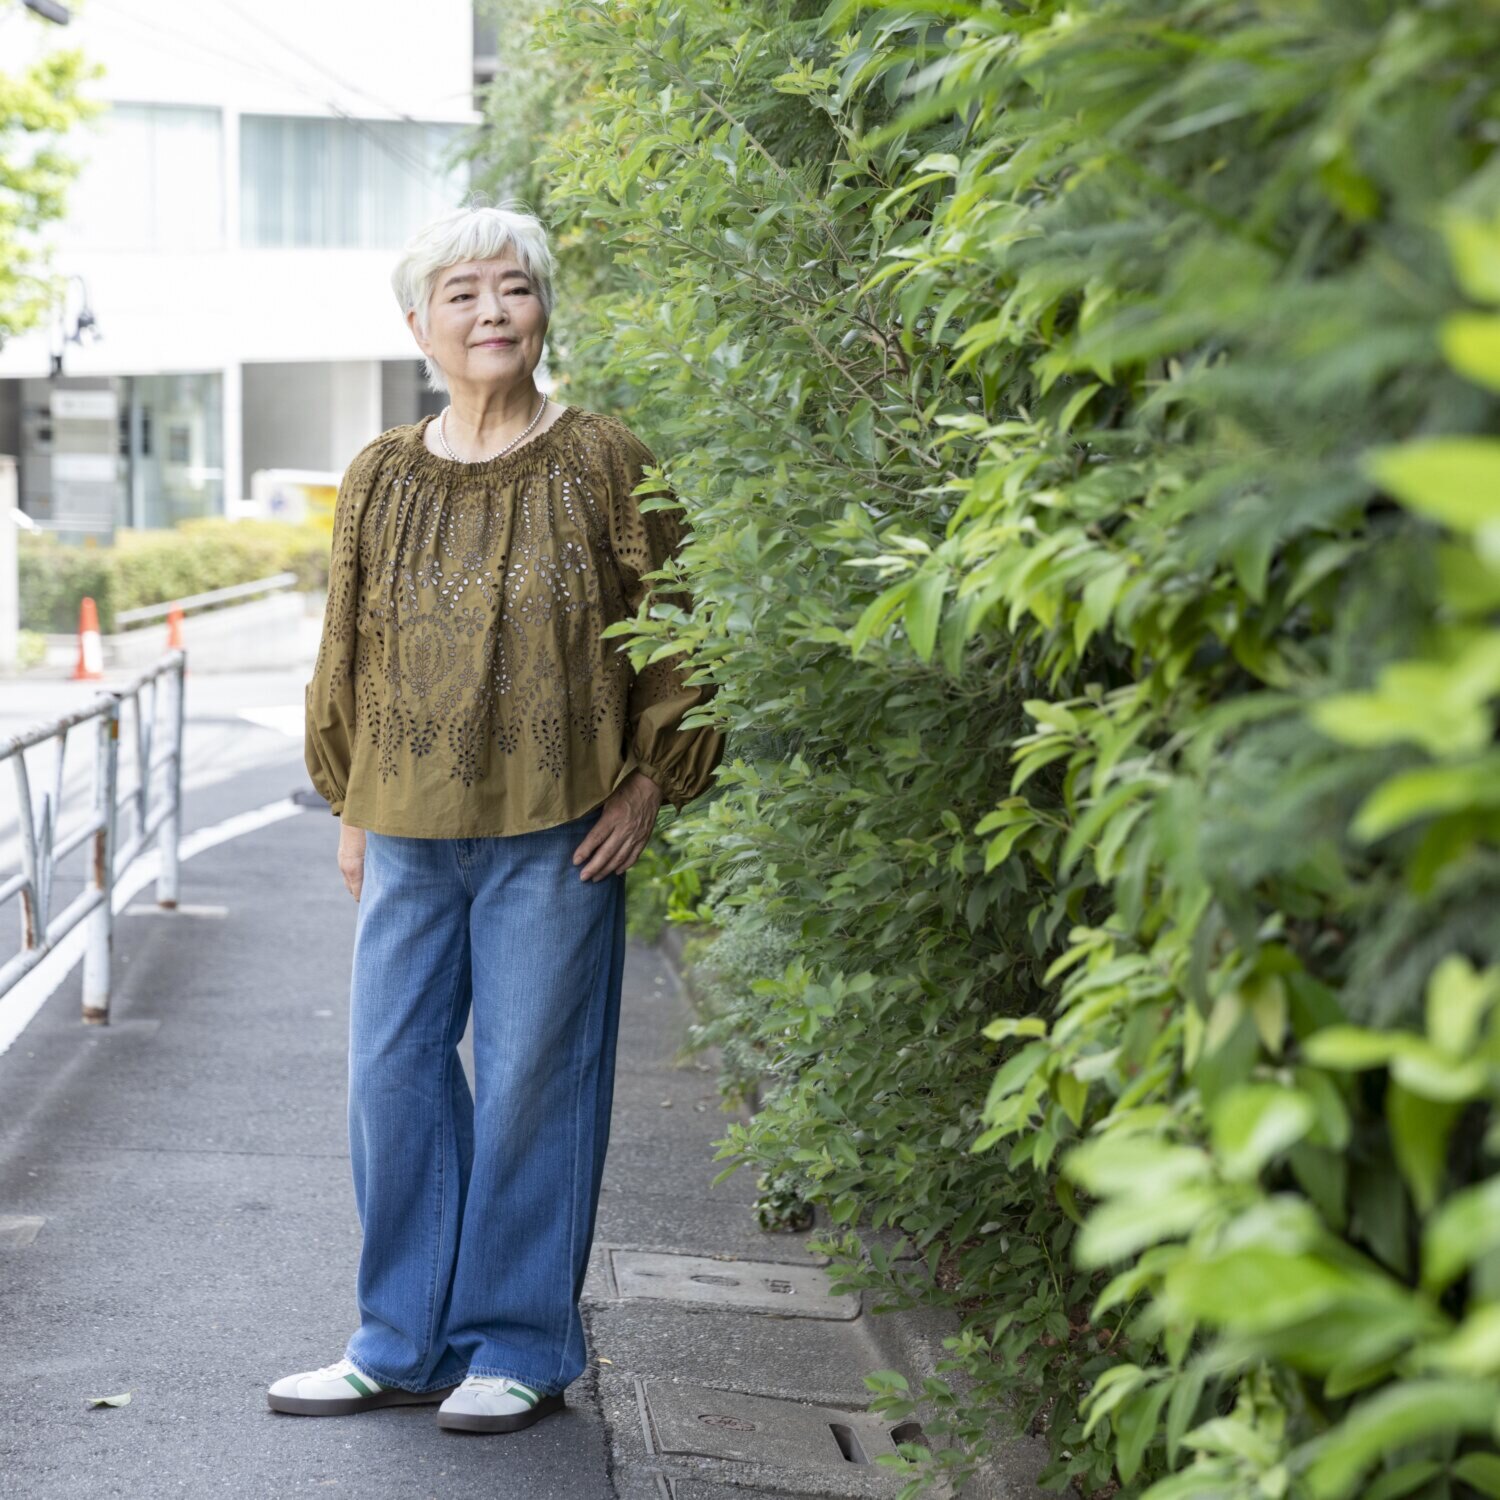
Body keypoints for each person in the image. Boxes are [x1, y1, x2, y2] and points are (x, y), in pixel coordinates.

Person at [270, 199, 726, 1435]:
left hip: (559, 826)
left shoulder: (606, 459)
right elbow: (349, 647)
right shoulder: (380, 474)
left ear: (543, 311)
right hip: (404, 828)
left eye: (513, 288)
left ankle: (519, 1344)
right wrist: (349, 800)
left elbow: (679, 632)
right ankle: (401, 1341)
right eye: (462, 294)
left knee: (534, 1080)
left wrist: (650, 779)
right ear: (418, 324)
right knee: (392, 1075)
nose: (491, 313)